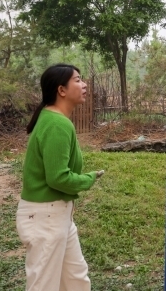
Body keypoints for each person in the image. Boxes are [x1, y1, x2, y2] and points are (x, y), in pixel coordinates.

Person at [17, 64, 104, 291]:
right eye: (78, 80)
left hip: (57, 216)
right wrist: (88, 179)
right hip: (46, 217)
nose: (84, 85)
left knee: (76, 281)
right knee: (43, 286)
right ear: (61, 90)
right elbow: (58, 178)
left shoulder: (52, 118)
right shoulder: (57, 124)